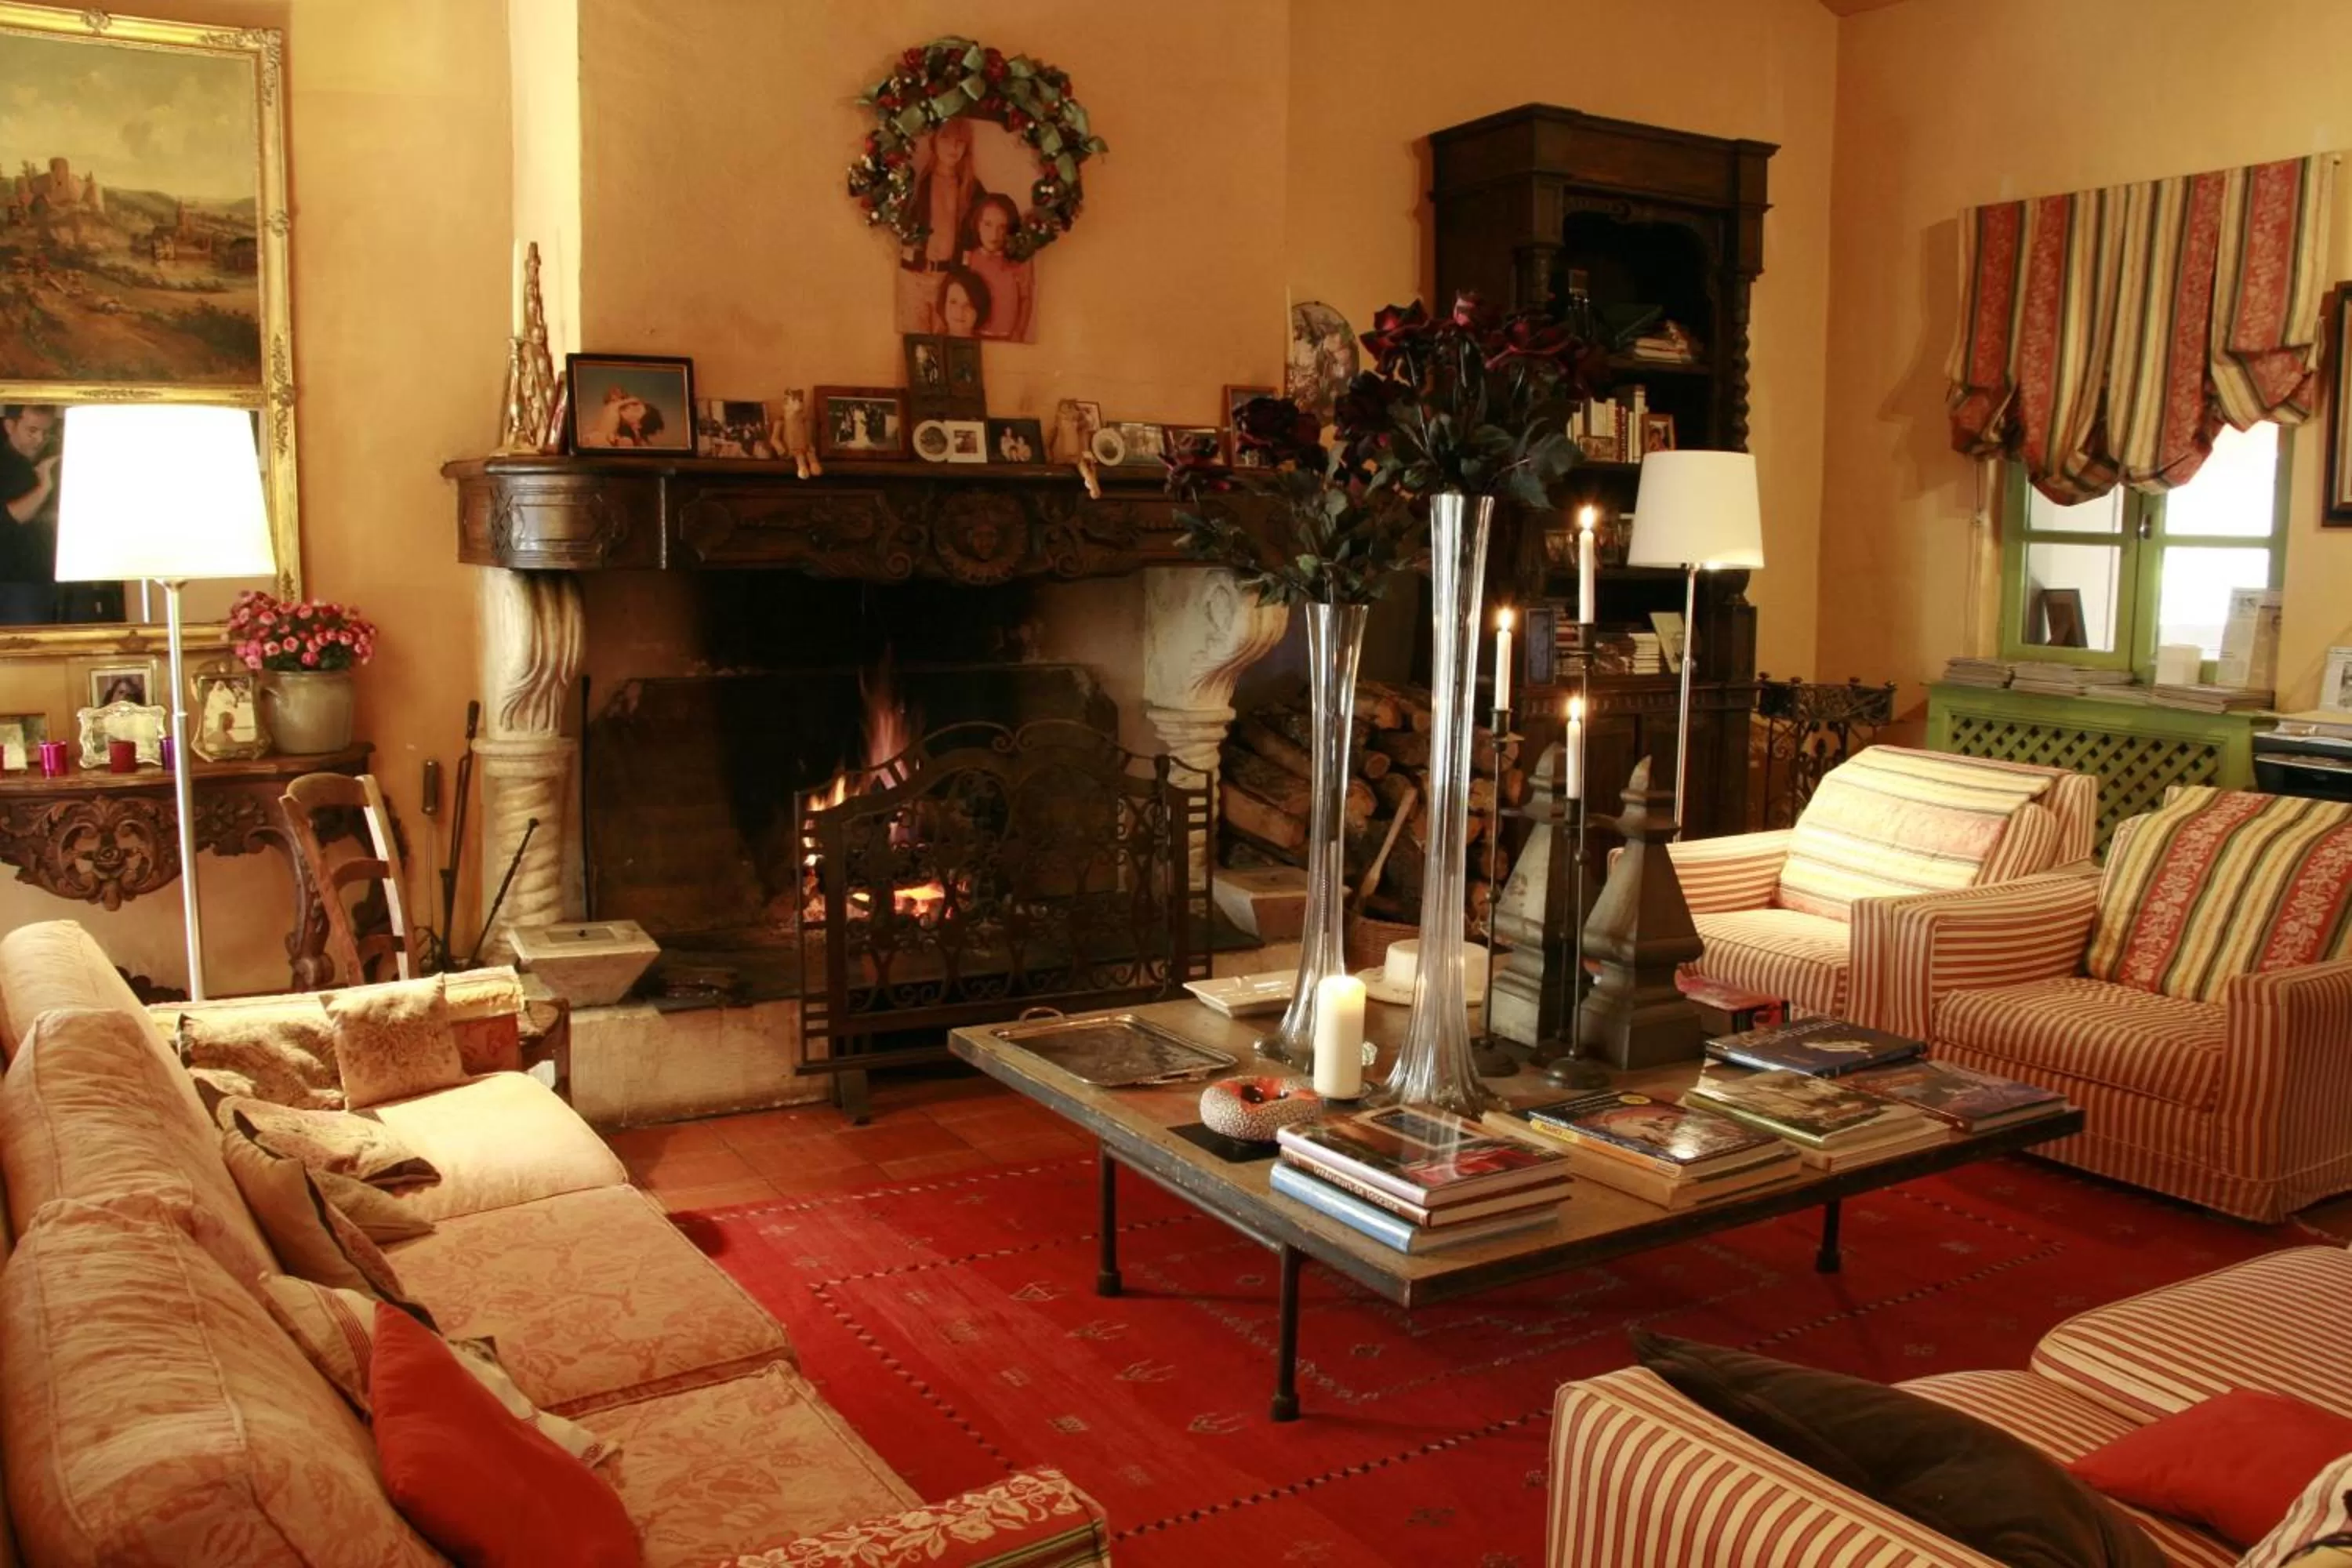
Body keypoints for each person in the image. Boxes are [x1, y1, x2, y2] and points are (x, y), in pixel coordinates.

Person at [895, 119, 989, 333]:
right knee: (914, 341)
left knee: (946, 339)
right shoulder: (918, 184)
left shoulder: (972, 189)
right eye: (946, 139)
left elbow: (983, 227)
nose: (953, 147)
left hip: (949, 281)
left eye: (960, 142)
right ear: (934, 141)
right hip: (915, 276)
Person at [0, 405, 61, 625]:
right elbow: (8, 519)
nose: (39, 440)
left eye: (46, 432)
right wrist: (44, 488)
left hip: (41, 578)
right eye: (32, 431)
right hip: (13, 581)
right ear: (10, 426)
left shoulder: (54, 459)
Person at [961, 194, 1034, 342]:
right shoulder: (970, 258)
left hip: (1007, 338)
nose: (994, 234)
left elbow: (1026, 299)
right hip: (975, 337)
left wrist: (1018, 333)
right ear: (977, 224)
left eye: (1002, 227)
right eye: (988, 224)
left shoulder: (1019, 261)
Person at [936, 264, 992, 339]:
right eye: (953, 302)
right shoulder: (929, 345)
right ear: (944, 303)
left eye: (968, 305)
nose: (960, 311)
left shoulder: (989, 345)